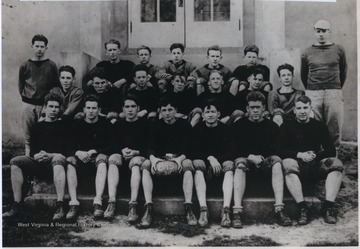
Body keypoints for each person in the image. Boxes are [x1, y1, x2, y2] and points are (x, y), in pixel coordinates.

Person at [278, 95, 343, 225]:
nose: (302, 111)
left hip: (314, 166)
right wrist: (299, 155)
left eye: (305, 108)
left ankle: (328, 207)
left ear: (310, 109)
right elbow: (279, 149)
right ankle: (303, 208)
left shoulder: (319, 126)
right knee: (287, 163)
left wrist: (315, 156)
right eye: (299, 108)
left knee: (336, 164)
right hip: (296, 166)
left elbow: (331, 149)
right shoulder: (287, 126)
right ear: (294, 110)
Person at [3, 93, 68, 221]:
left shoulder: (64, 126)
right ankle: (17, 205)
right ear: (45, 107)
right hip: (39, 163)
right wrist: (37, 155)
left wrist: (50, 155)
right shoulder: (37, 127)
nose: (54, 109)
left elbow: (67, 151)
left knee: (58, 158)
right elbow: (32, 151)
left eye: (56, 107)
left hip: (56, 164)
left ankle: (60, 206)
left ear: (60, 108)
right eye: (51, 106)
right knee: (15, 162)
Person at [232, 91, 291, 227]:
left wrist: (262, 158)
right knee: (240, 163)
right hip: (247, 161)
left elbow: (277, 149)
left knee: (276, 161)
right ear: (247, 108)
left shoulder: (272, 126)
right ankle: (237, 211)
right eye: (252, 107)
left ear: (264, 108)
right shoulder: (239, 125)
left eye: (258, 107)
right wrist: (250, 156)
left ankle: (279, 209)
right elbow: (233, 150)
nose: (256, 110)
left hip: (265, 163)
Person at [140, 97, 196, 228]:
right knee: (145, 165)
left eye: (170, 109)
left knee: (188, 164)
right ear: (160, 111)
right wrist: (153, 159)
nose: (167, 113)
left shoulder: (184, 125)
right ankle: (148, 208)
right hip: (160, 159)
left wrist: (180, 158)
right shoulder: (155, 125)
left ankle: (189, 208)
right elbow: (149, 147)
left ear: (176, 110)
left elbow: (189, 147)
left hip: (179, 158)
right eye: (164, 110)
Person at [301, 19, 347, 150]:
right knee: (314, 123)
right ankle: (316, 154)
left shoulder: (339, 50)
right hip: (313, 92)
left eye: (324, 31)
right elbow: (304, 74)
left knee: (334, 123)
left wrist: (335, 88)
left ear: (329, 32)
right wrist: (312, 89)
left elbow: (343, 72)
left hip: (333, 91)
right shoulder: (307, 52)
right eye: (318, 31)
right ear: (314, 32)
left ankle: (333, 154)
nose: (321, 34)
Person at [66, 94, 114, 220]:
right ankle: (74, 203)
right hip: (80, 160)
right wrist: (78, 152)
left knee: (103, 161)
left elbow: (112, 146)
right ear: (84, 110)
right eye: (88, 108)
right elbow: (67, 146)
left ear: (99, 110)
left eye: (94, 108)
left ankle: (98, 202)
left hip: (97, 161)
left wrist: (96, 151)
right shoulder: (77, 124)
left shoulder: (106, 124)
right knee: (70, 162)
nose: (91, 111)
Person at [191, 99, 235, 227]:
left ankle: (226, 211)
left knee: (229, 165)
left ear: (218, 114)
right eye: (207, 112)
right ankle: (203, 210)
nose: (210, 114)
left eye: (213, 111)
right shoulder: (197, 129)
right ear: (203, 115)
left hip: (220, 168)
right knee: (198, 166)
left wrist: (218, 161)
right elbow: (192, 151)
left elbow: (233, 152)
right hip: (205, 168)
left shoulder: (226, 129)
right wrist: (210, 158)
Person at [108, 95, 150, 222]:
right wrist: (122, 150)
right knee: (113, 159)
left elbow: (150, 147)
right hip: (123, 161)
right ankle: (112, 202)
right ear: (123, 109)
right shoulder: (118, 125)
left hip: (138, 161)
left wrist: (136, 152)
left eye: (133, 106)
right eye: (127, 107)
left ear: (138, 108)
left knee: (136, 163)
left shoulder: (146, 124)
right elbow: (112, 145)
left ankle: (133, 205)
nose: (130, 110)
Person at [19, 34, 59, 156]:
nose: (39, 49)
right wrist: (27, 99)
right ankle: (28, 160)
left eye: (42, 46)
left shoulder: (51, 65)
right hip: (28, 104)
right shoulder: (25, 65)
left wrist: (47, 104)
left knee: (43, 133)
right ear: (32, 46)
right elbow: (21, 86)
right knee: (28, 135)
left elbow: (55, 85)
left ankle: (42, 161)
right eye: (37, 46)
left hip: (44, 105)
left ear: (46, 48)